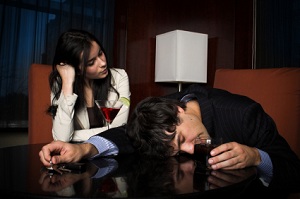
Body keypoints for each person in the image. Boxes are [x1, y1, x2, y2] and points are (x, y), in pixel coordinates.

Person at [39, 84, 300, 191]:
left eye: (182, 139)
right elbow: (128, 134)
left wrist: (255, 156)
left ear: (179, 110)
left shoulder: (244, 115)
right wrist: (84, 149)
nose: (188, 150)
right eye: (176, 150)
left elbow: (292, 169)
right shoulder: (161, 114)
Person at [47, 29, 131, 142]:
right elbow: (62, 138)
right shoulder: (60, 84)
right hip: (76, 155)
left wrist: (73, 136)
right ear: (76, 70)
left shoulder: (120, 77)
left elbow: (118, 129)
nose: (103, 63)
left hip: (110, 150)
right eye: (91, 62)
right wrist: (67, 84)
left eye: (100, 53)